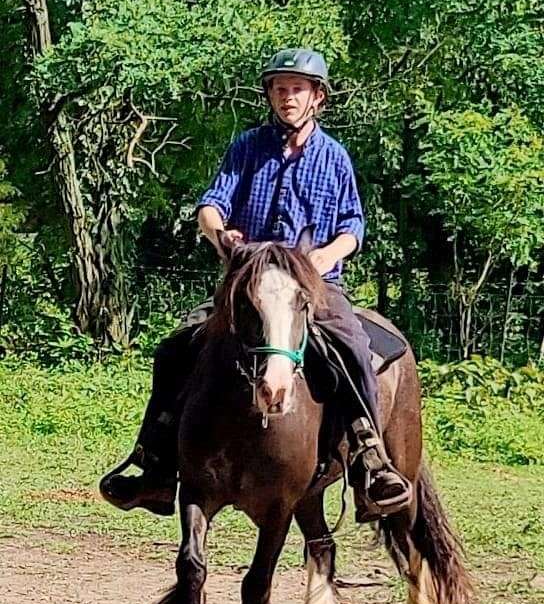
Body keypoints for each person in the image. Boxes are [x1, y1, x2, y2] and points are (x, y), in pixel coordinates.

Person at [100, 48, 412, 520]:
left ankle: (371, 461)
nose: (288, 98)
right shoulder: (246, 147)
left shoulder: (335, 157)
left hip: (312, 286)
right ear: (269, 95)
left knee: (352, 347)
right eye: (280, 89)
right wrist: (217, 231)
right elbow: (212, 203)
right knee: (176, 348)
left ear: (317, 98)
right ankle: (156, 465)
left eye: (298, 89)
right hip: (249, 285)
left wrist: (327, 254)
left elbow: (353, 225)